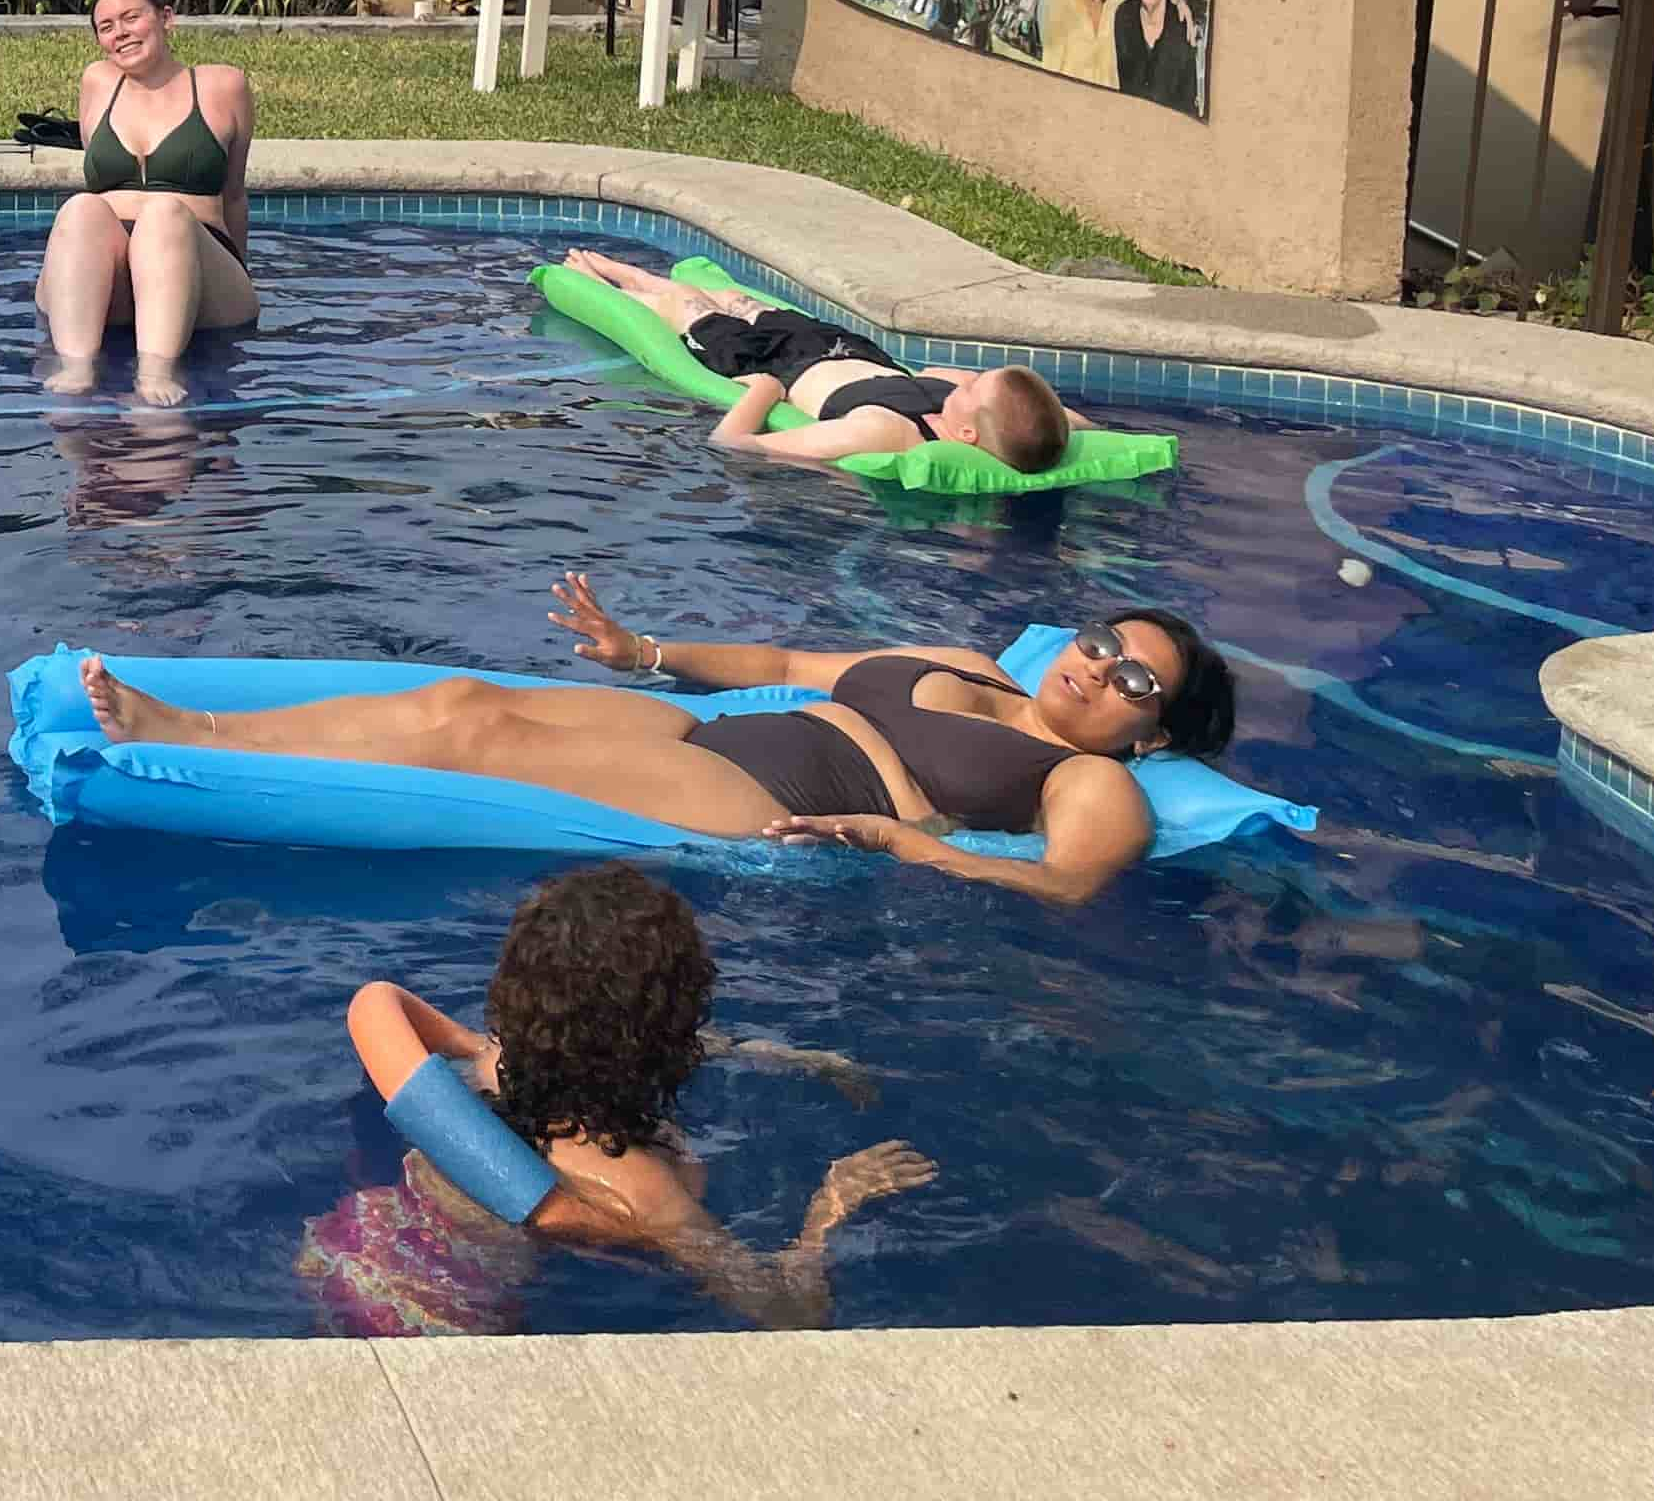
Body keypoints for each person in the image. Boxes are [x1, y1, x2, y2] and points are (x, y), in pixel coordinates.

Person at [80, 572, 1235, 909]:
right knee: (462, 701)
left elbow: (1068, 889)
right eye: (1097, 639)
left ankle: (194, 747)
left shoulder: (1094, 781)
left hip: (766, 792)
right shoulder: (976, 667)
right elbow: (787, 667)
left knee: (474, 749)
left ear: (1152, 730)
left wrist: (904, 839)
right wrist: (645, 651)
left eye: (1133, 677)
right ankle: (206, 724)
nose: (1093, 664)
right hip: (723, 726)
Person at [302, 867, 933, 1335]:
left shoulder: (488, 1069)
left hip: (345, 1252)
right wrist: (829, 1209)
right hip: (446, 1326)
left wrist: (471, 1046)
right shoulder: (647, 1192)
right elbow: (789, 1315)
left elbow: (375, 1000)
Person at [556, 248, 1071, 474]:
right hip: (841, 345)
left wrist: (763, 392)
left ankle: (605, 277)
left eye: (972, 389)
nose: (965, 382)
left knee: (686, 305)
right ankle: (634, 272)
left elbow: (734, 445)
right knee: (731, 298)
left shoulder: (884, 433)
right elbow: (1055, 422)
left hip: (770, 361)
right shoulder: (971, 410)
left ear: (967, 435)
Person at [35, 0, 256, 403]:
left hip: (194, 259)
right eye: (106, 27)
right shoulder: (97, 83)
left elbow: (233, 194)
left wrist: (238, 275)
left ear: (166, 18)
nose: (121, 33)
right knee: (81, 207)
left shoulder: (223, 85)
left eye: (131, 17)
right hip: (109, 272)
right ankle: (76, 366)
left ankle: (157, 373)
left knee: (163, 213)